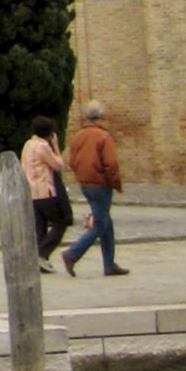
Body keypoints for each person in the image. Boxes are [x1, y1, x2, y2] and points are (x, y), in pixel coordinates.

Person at [62, 100, 128, 278]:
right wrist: (115, 182)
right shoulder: (103, 136)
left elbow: (72, 161)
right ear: (101, 118)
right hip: (100, 184)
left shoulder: (78, 136)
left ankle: (109, 264)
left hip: (85, 184)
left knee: (106, 222)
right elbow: (111, 163)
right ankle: (73, 253)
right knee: (100, 224)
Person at [19, 116, 74, 270]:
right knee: (60, 223)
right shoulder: (42, 147)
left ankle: (40, 262)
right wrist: (56, 146)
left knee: (40, 227)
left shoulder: (28, 145)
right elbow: (58, 165)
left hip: (32, 193)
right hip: (45, 192)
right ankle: (42, 254)